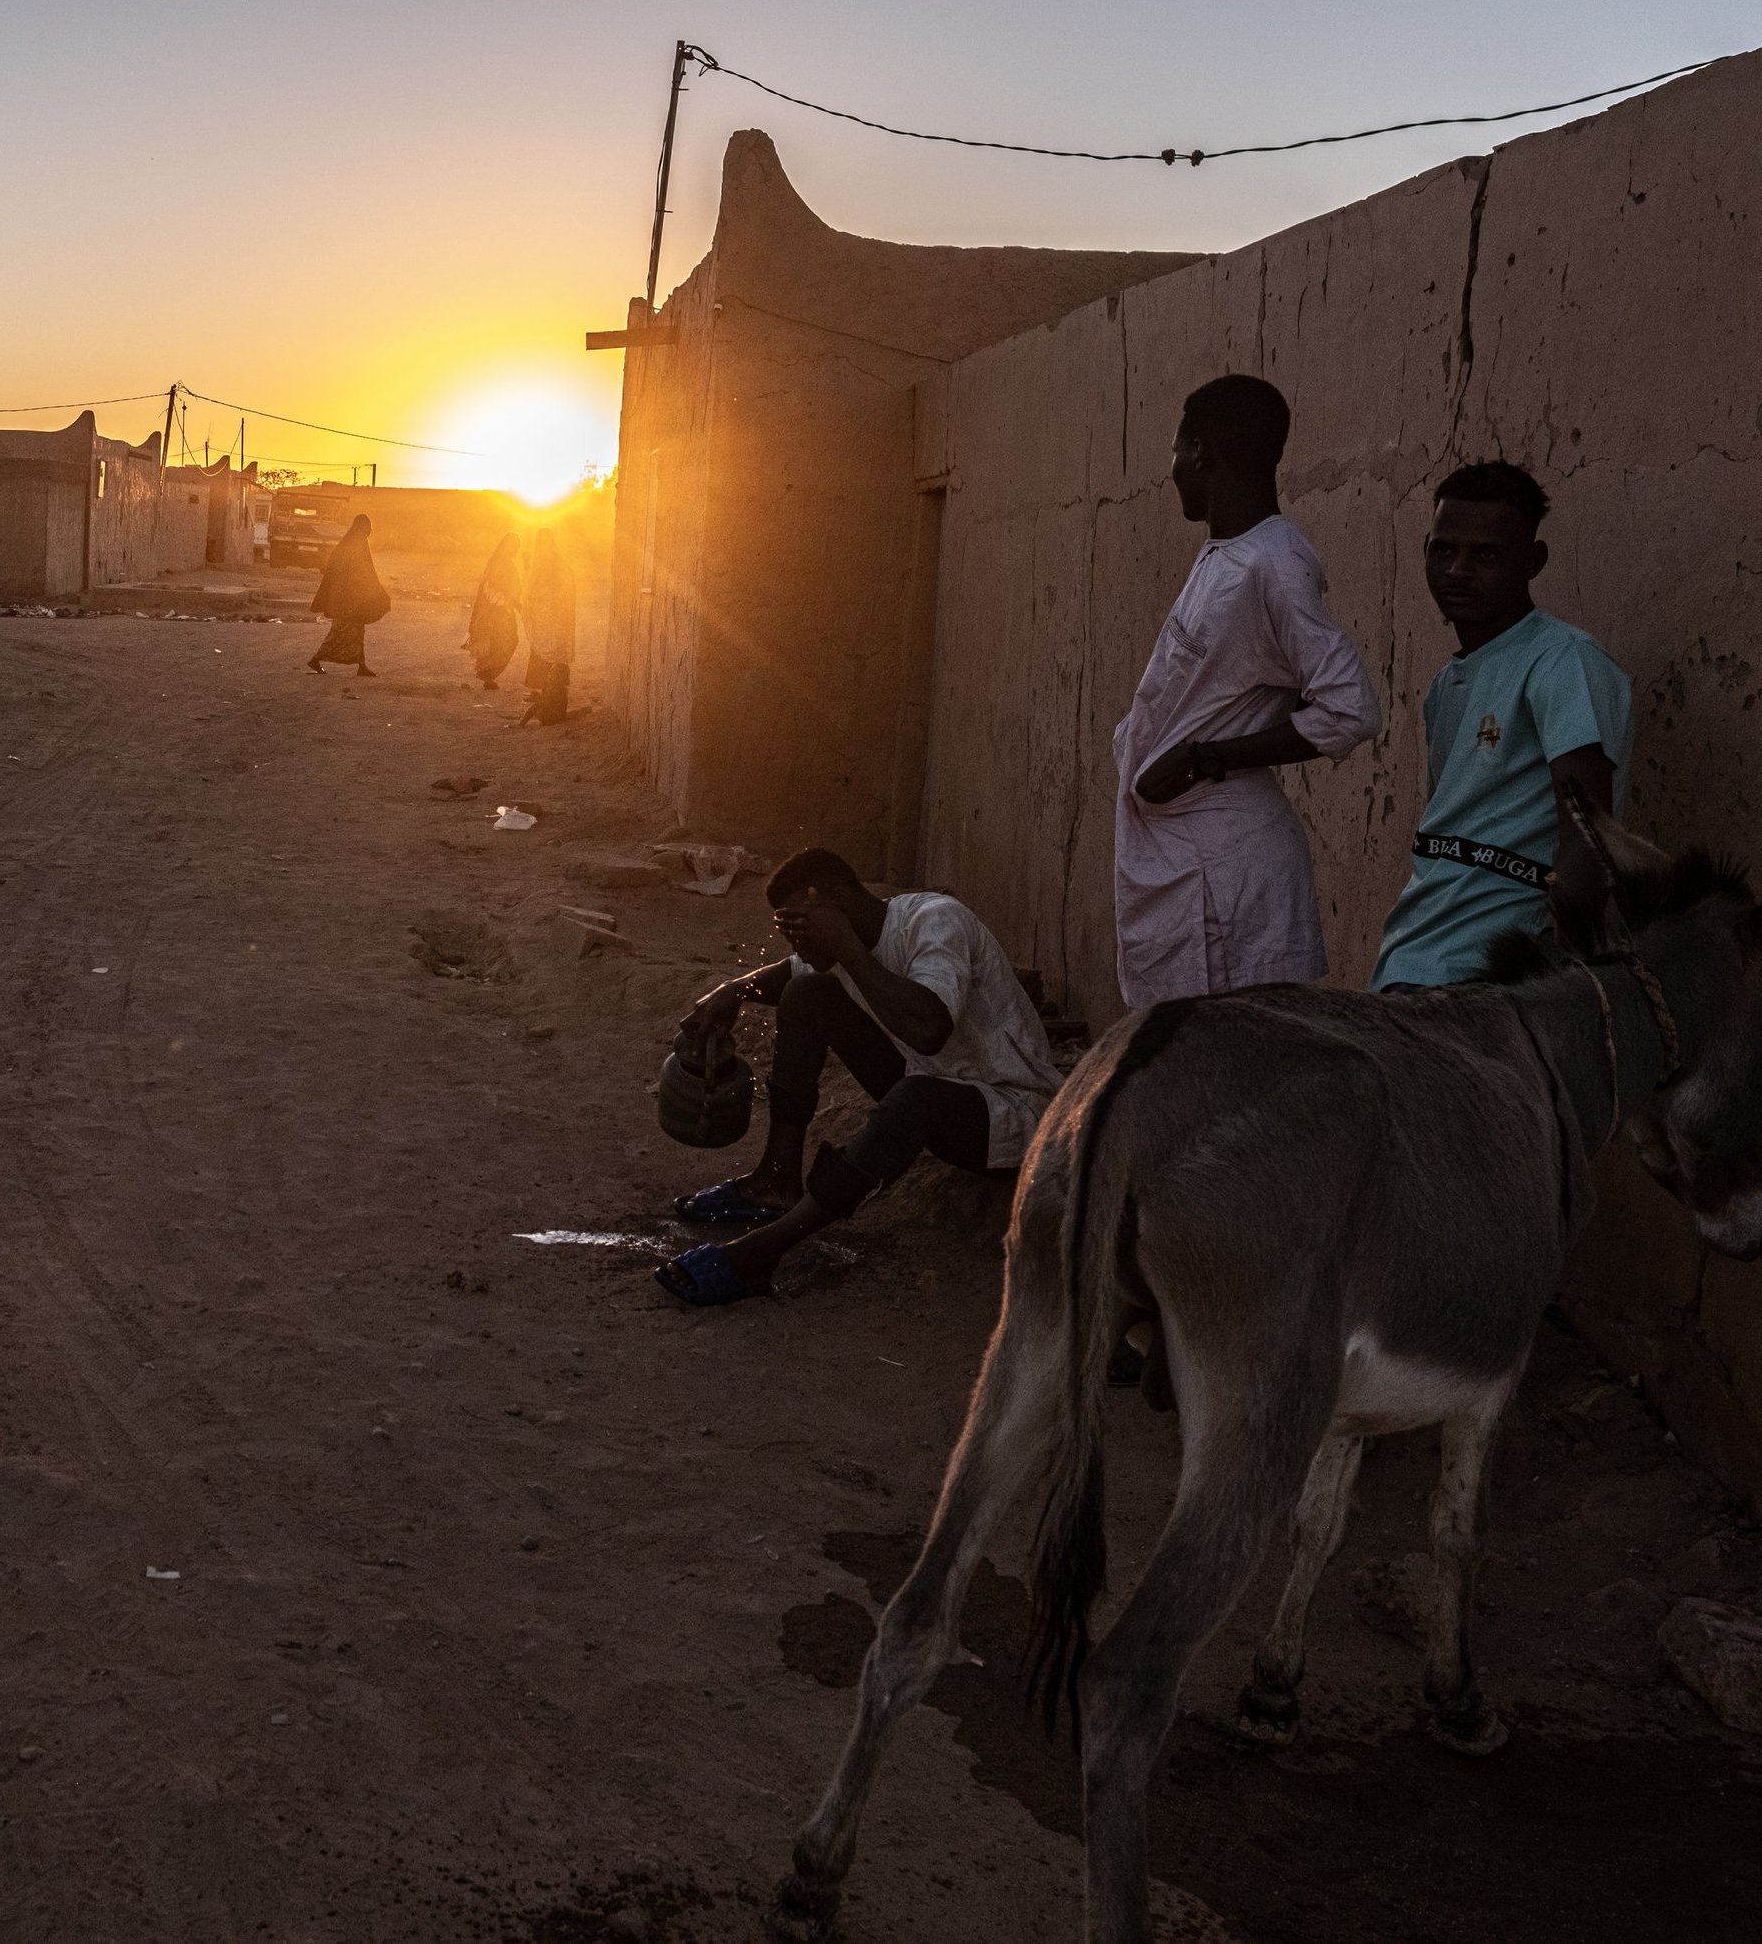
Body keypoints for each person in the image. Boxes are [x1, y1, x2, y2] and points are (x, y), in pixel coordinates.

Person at [655, 848, 1061, 1308]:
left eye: (799, 927)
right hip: (928, 1083)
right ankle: (776, 1181)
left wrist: (846, 947)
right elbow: (789, 973)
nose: (795, 944)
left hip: (1015, 1115)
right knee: (807, 995)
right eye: (785, 930)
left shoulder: (936, 922)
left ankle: (763, 1252)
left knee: (915, 1098)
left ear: (839, 904)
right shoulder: (836, 944)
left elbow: (928, 1031)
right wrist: (733, 991)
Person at [1114, 374, 1382, 1008]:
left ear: (1202, 451)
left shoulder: (1276, 563)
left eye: (1176, 448)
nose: (1173, 466)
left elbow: (1350, 707)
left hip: (1227, 874)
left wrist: (1209, 757)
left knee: (1232, 1073)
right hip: (1184, 865)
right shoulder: (1226, 554)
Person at [1371, 462, 1631, 990]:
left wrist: (1555, 977)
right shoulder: (1447, 685)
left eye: (1485, 554)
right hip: (1412, 957)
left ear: (1532, 561)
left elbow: (1588, 835)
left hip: (1496, 976)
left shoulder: (1562, 661)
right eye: (1444, 550)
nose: (1458, 570)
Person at [308, 514, 389, 676]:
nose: (370, 530)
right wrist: (376, 590)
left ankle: (361, 665)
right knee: (340, 633)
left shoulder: (347, 544)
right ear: (363, 527)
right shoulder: (358, 545)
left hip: (346, 600)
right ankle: (316, 659)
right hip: (349, 602)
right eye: (369, 527)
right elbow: (363, 573)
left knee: (356, 633)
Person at [519, 528, 576, 725]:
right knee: (541, 653)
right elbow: (531, 587)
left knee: (552, 656)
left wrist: (545, 601)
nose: (542, 546)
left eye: (545, 542)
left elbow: (564, 588)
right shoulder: (539, 562)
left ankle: (551, 696)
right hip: (542, 618)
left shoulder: (558, 564)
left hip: (555, 618)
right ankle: (543, 693)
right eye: (539, 542)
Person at [465, 532, 524, 686]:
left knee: (497, 642)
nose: (517, 550)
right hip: (499, 610)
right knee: (505, 641)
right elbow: (499, 587)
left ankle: (487, 676)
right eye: (515, 546)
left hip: (496, 609)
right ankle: (488, 676)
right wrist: (517, 605)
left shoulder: (498, 561)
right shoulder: (501, 563)